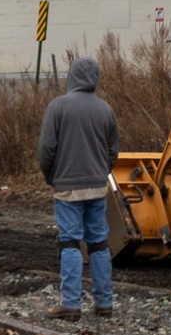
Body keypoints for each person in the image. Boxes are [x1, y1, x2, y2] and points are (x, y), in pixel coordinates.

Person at [37, 55, 118, 319]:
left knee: (70, 242)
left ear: (71, 76)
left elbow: (46, 149)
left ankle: (71, 304)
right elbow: (112, 151)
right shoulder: (106, 109)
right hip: (97, 186)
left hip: (68, 187)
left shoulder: (58, 107)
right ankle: (104, 303)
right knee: (98, 242)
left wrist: (52, 177)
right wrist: (100, 172)